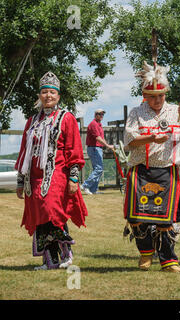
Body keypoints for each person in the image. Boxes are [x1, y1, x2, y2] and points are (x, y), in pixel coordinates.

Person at [122, 60, 180, 273]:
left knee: (166, 218)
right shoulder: (137, 112)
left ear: (166, 94)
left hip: (166, 169)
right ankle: (145, 254)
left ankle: (168, 261)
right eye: (152, 96)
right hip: (141, 169)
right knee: (139, 216)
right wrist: (150, 139)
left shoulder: (176, 110)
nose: (157, 100)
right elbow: (129, 141)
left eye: (161, 95)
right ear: (144, 95)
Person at [15, 71, 88, 270]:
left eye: (52, 92)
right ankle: (51, 260)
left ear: (58, 96)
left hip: (56, 174)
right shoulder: (32, 121)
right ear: (39, 95)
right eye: (44, 92)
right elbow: (24, 153)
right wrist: (21, 181)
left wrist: (73, 178)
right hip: (34, 178)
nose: (48, 96)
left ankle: (65, 253)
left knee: (51, 211)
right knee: (40, 216)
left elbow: (75, 149)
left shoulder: (66, 118)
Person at [80, 109, 114, 195]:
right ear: (96, 115)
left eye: (103, 114)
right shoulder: (93, 124)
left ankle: (93, 190)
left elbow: (101, 138)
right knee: (99, 169)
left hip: (97, 148)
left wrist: (107, 145)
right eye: (100, 114)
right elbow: (98, 138)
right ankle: (85, 185)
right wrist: (108, 146)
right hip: (94, 148)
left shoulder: (99, 124)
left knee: (98, 169)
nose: (102, 116)